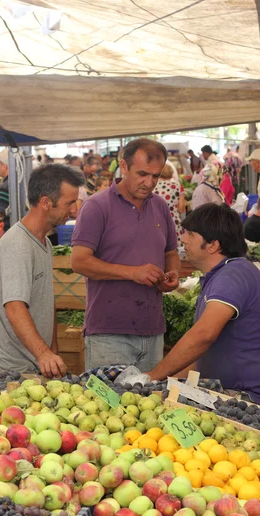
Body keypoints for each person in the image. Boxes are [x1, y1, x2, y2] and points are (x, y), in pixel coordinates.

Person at [148, 203, 260, 411]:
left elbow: (203, 335)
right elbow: (201, 354)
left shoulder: (232, 274)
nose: (183, 239)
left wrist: (152, 376)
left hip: (253, 401)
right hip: (233, 396)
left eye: (190, 234)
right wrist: (161, 383)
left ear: (213, 245)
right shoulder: (218, 277)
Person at [71, 138, 180, 371]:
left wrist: (173, 274)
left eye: (156, 176)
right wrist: (132, 273)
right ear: (124, 166)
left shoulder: (160, 206)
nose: (149, 182)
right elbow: (79, 261)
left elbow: (170, 251)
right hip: (109, 334)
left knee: (150, 405)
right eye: (142, 174)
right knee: (109, 405)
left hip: (153, 330)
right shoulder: (96, 207)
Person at [0, 164, 85, 377]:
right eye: (69, 203)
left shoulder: (44, 243)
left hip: (31, 366)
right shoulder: (18, 245)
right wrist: (43, 354)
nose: (74, 210)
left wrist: (51, 350)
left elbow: (46, 302)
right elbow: (14, 307)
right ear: (46, 202)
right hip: (7, 372)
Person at [154, 164, 185, 248]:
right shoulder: (178, 186)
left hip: (155, 222)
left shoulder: (153, 186)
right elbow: (181, 208)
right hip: (173, 221)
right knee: (174, 250)